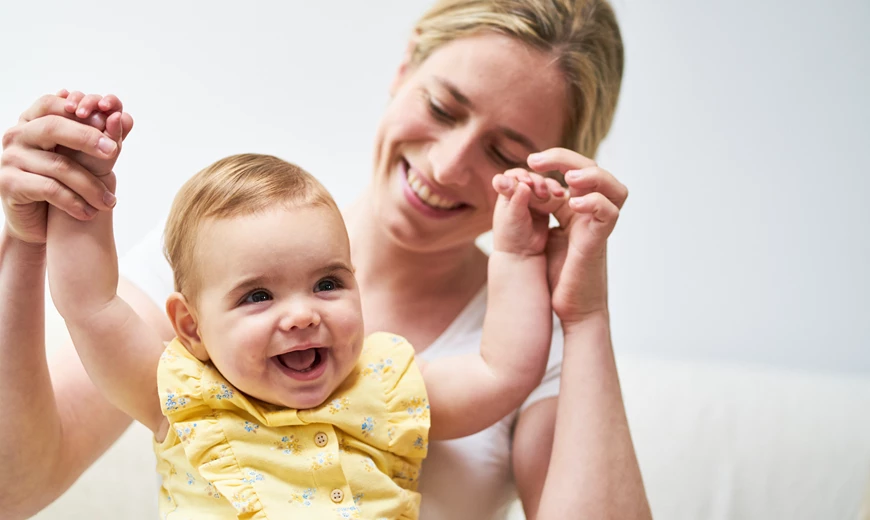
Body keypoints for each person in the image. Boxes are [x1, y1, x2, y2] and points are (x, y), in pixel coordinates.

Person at [0, 0, 651, 518]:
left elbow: (501, 369)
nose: (448, 167)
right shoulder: (196, 339)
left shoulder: (397, 379)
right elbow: (89, 307)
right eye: (442, 107)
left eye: (505, 156)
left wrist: (579, 308)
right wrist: (56, 211)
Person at [46, 147, 562, 518]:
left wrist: (516, 255)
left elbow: (501, 373)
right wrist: (79, 196)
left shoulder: (386, 382)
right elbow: (90, 306)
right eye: (258, 296)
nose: (300, 316)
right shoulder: (181, 394)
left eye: (327, 283)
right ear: (191, 326)